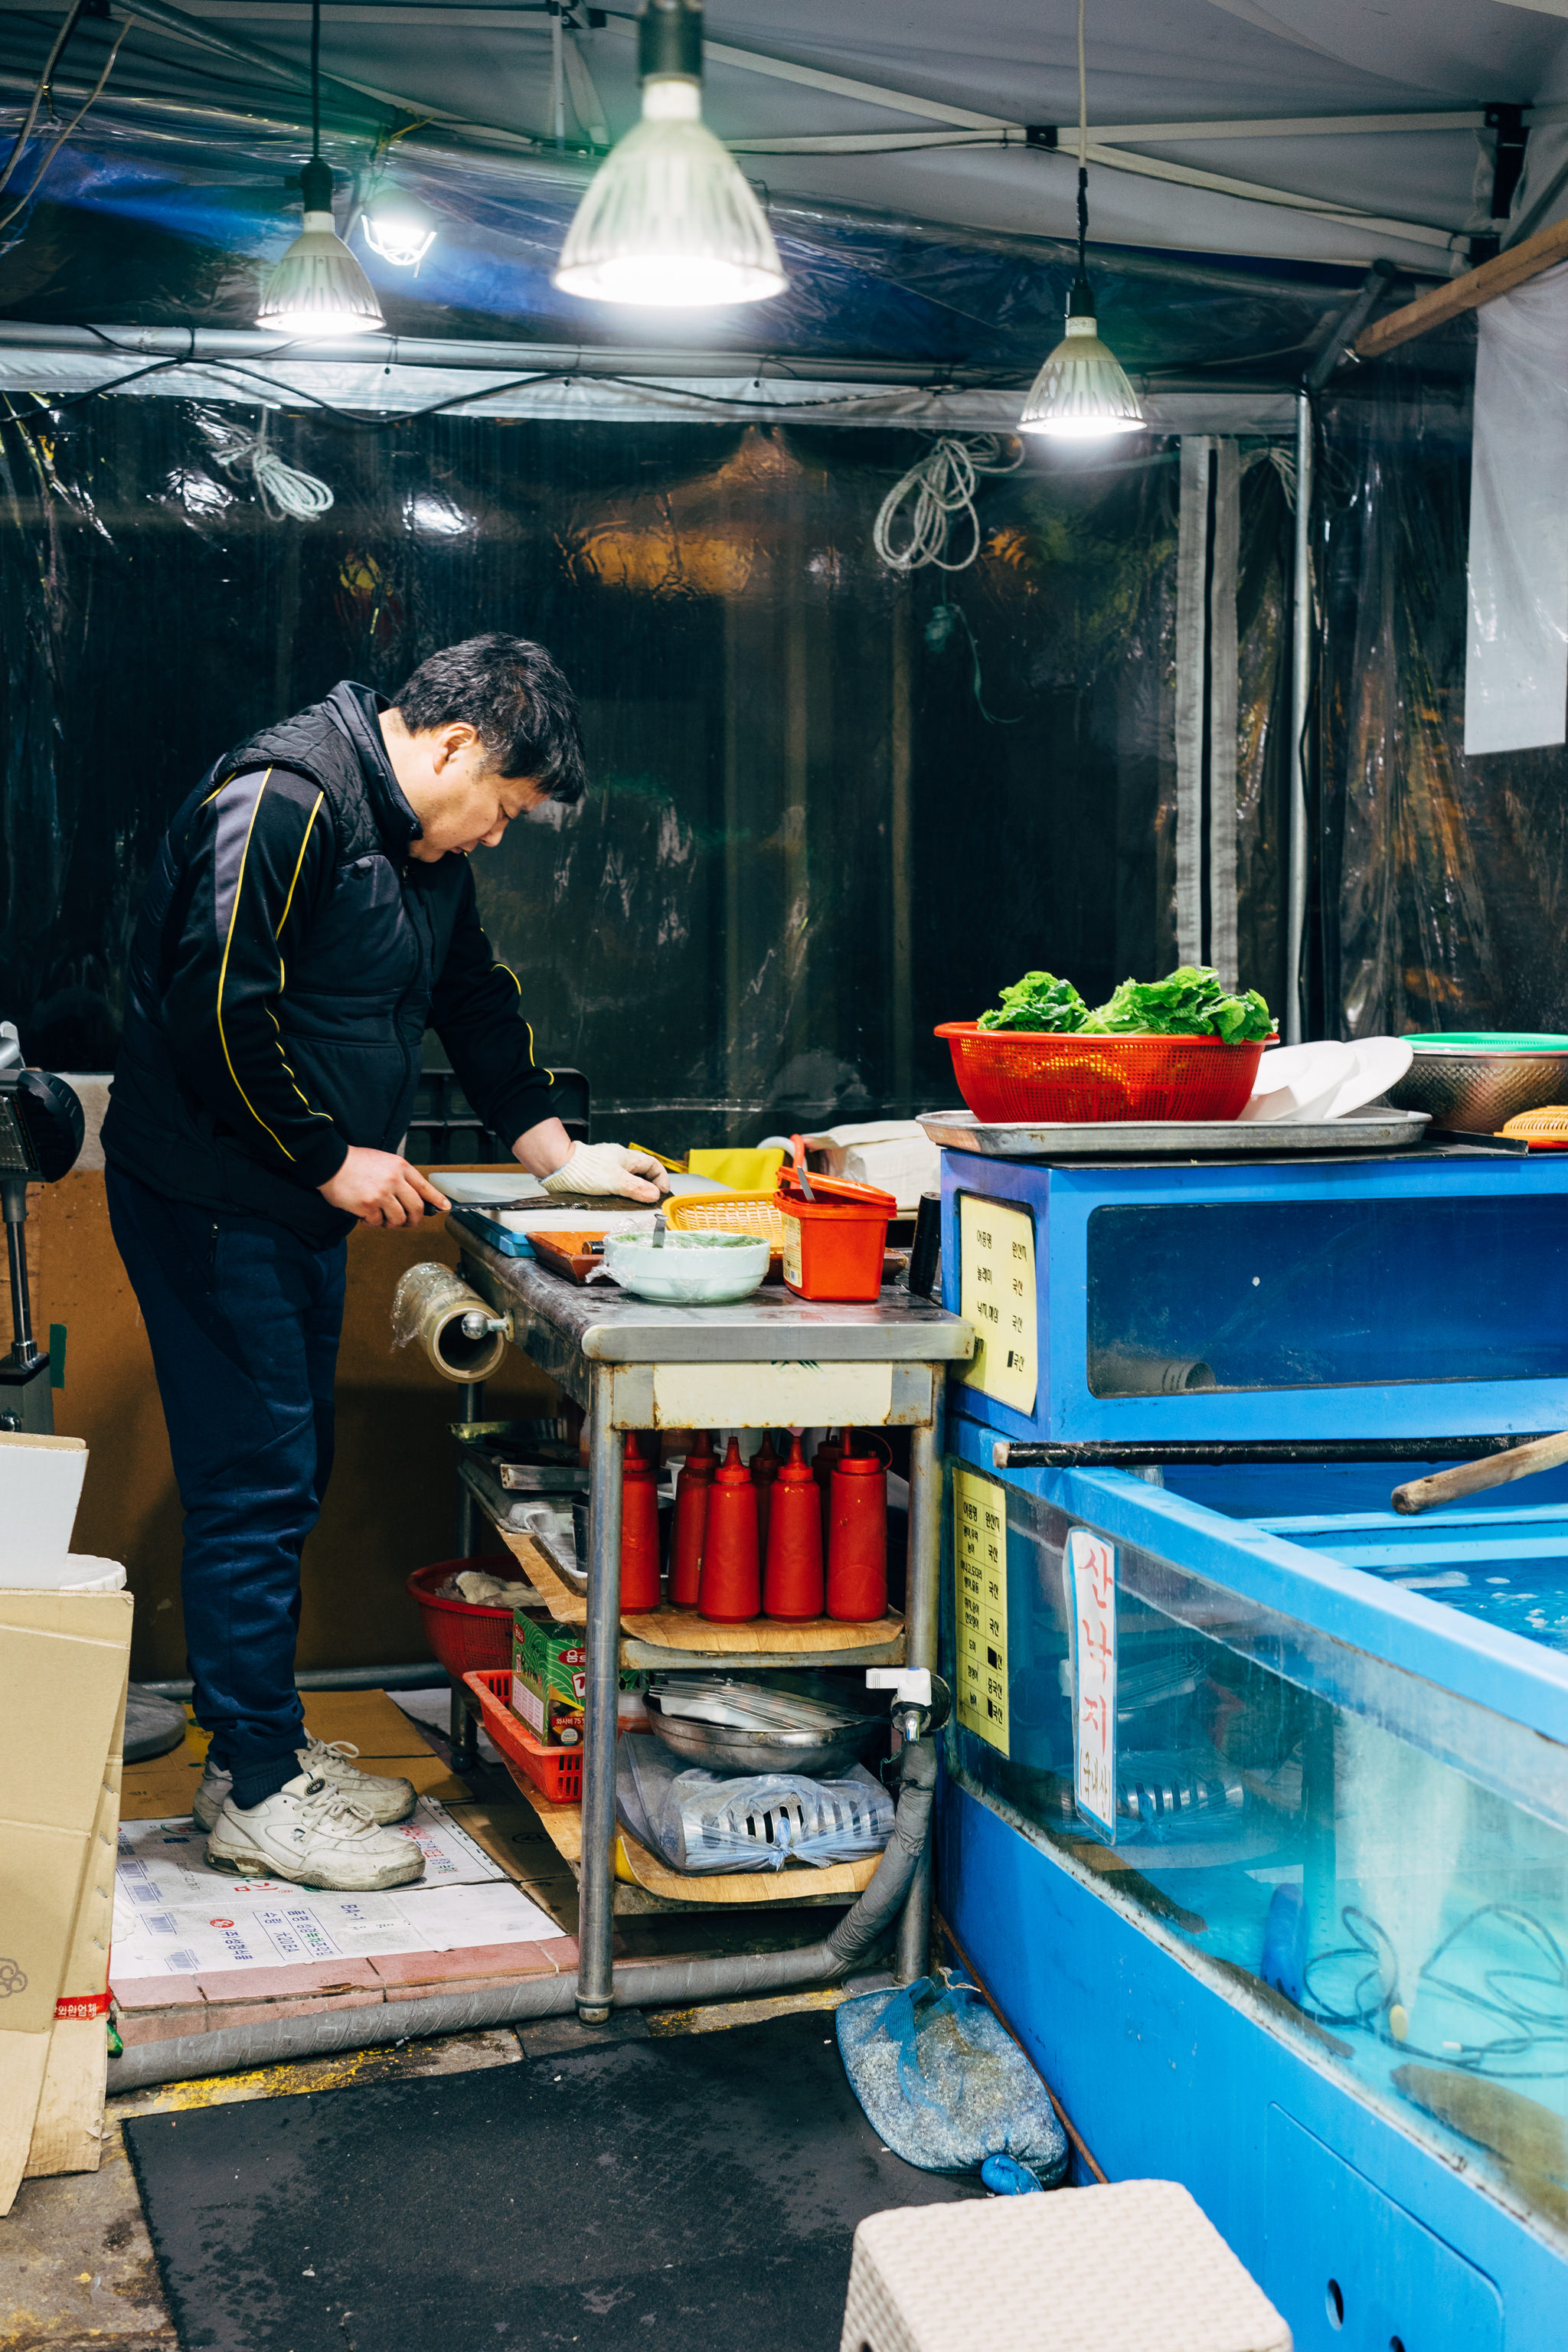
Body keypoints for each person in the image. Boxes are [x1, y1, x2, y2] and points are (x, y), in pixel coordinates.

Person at [103, 635, 668, 1892]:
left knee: (286, 1475)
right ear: (457, 747)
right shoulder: (285, 798)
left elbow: (469, 999)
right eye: (505, 810)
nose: (497, 838)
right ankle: (252, 1793)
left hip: (285, 1207)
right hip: (212, 1199)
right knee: (255, 1489)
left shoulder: (419, 852)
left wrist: (554, 1155)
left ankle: (258, 1751)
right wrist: (328, 1159)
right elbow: (216, 1011)